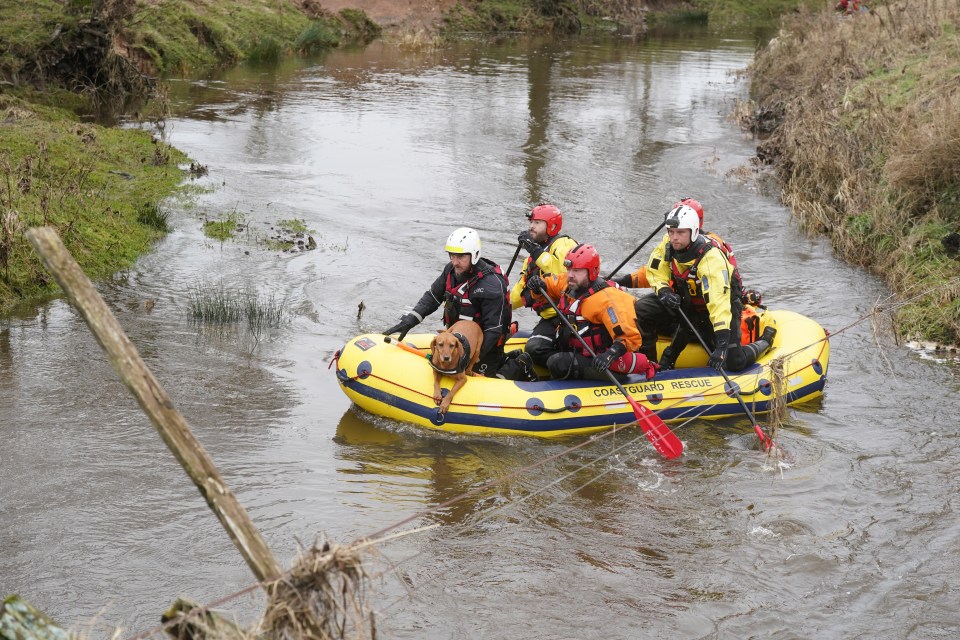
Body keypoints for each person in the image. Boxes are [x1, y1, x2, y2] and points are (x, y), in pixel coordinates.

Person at [634, 204, 776, 373]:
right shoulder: (668, 245)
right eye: (671, 232)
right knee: (643, 309)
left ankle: (766, 339)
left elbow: (718, 302)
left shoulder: (710, 259)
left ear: (694, 232)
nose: (674, 238)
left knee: (734, 362)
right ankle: (649, 364)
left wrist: (722, 344)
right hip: (689, 304)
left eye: (680, 232)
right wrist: (663, 291)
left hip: (723, 307)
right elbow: (655, 270)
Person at [384, 227, 511, 377]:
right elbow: (433, 296)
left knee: (480, 375)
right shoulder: (450, 270)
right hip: (456, 340)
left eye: (461, 257)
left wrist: (469, 360)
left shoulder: (491, 285)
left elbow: (493, 330)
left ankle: (516, 364)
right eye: (452, 256)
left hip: (484, 347)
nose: (455, 262)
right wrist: (409, 321)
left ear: (474, 255)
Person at [525, 244, 658, 382]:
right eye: (569, 269)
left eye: (576, 271)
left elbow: (629, 338)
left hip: (600, 358)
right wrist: (538, 285)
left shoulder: (609, 299)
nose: (570, 275)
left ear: (592, 272)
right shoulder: (569, 283)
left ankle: (565, 372)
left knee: (558, 363)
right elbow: (550, 285)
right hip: (576, 348)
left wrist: (610, 354)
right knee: (535, 349)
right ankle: (563, 367)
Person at [498, 204, 579, 381]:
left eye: (537, 222)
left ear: (551, 226)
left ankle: (568, 370)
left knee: (536, 349)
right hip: (551, 317)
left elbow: (564, 273)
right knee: (534, 349)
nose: (531, 226)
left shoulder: (564, 244)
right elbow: (521, 291)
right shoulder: (531, 259)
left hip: (570, 315)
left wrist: (534, 250)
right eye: (531, 222)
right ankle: (551, 368)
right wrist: (501, 303)